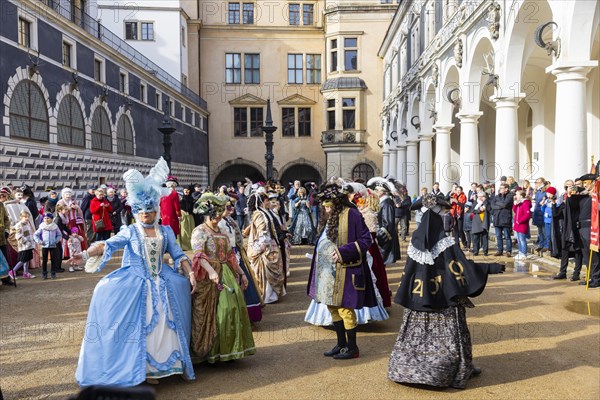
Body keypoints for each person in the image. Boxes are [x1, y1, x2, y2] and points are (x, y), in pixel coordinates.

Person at [69, 157, 197, 386]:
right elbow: (108, 244)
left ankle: (165, 367)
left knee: (166, 324)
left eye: (149, 211)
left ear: (156, 210)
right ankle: (142, 369)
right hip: (137, 282)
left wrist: (190, 273)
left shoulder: (165, 231)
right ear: (135, 210)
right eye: (141, 211)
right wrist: (87, 254)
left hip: (164, 282)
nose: (145, 214)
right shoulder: (130, 231)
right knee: (116, 302)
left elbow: (178, 255)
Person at [388, 194, 504, 389]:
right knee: (454, 334)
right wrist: (489, 268)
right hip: (445, 300)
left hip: (418, 301)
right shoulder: (446, 243)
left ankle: (407, 369)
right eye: (441, 214)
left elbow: (409, 273)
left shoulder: (414, 243)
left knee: (415, 336)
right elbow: (463, 267)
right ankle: (459, 368)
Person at [306, 183, 377, 359]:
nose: (326, 209)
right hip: (328, 272)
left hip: (346, 269)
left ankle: (353, 348)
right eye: (325, 206)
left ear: (337, 202)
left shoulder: (352, 214)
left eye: (329, 206)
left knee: (345, 308)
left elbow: (366, 239)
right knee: (332, 306)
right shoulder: (329, 216)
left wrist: (343, 252)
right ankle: (341, 344)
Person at [190, 193, 256, 362]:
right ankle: (214, 351)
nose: (219, 217)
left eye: (221, 212)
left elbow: (230, 256)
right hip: (208, 276)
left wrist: (241, 274)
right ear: (207, 213)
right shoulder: (199, 231)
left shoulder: (223, 232)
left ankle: (230, 350)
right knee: (220, 312)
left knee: (234, 309)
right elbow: (198, 255)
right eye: (216, 213)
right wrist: (211, 271)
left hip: (226, 273)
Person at [218, 200, 263, 322]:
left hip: (236, 251)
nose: (230, 209)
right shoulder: (220, 223)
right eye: (227, 207)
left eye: (231, 206)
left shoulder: (229, 220)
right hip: (228, 255)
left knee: (245, 279)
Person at [246, 192, 286, 304]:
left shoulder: (264, 212)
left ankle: (272, 295)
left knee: (273, 268)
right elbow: (262, 231)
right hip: (265, 245)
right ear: (262, 202)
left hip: (270, 243)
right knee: (265, 269)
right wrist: (262, 245)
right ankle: (267, 296)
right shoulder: (259, 214)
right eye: (267, 200)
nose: (269, 202)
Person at [367, 177, 400, 266]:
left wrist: (378, 237)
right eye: (375, 189)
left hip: (383, 239)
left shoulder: (386, 203)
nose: (376, 191)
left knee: (380, 264)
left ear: (384, 192)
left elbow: (388, 224)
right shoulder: (381, 201)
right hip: (379, 236)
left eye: (378, 190)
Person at [34, 213, 62, 280]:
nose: (46, 219)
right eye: (45, 218)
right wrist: (40, 241)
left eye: (48, 218)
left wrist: (56, 241)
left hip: (53, 246)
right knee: (44, 260)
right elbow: (35, 235)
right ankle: (44, 273)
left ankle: (53, 272)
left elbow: (59, 235)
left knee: (53, 260)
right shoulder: (42, 226)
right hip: (44, 246)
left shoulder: (55, 226)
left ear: (51, 219)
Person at [10, 211, 36, 279]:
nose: (27, 218)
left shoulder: (27, 224)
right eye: (25, 217)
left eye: (28, 217)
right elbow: (18, 236)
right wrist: (26, 242)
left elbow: (29, 234)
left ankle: (26, 272)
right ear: (21, 217)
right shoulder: (19, 225)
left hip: (29, 245)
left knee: (27, 259)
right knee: (23, 260)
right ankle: (12, 271)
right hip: (24, 246)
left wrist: (32, 242)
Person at [490, 183, 514, 256]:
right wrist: (499, 205)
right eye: (500, 188)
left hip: (505, 219)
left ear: (506, 189)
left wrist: (498, 203)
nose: (500, 189)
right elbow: (492, 205)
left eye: (502, 188)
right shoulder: (497, 196)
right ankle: (500, 250)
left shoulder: (509, 196)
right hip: (497, 218)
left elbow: (505, 204)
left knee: (507, 236)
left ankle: (508, 251)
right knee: (498, 236)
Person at [513, 190, 532, 260]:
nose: (516, 196)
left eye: (517, 195)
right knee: (518, 239)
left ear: (521, 196)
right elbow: (515, 211)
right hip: (517, 225)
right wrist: (515, 205)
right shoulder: (519, 203)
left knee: (522, 240)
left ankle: (524, 253)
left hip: (522, 225)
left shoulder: (525, 203)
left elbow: (527, 214)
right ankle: (520, 252)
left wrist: (519, 221)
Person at [470, 192, 490, 256]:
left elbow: (489, 208)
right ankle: (476, 251)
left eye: (482, 196)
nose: (480, 198)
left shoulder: (487, 202)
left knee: (484, 237)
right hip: (476, 222)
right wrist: (479, 210)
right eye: (479, 196)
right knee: (476, 238)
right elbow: (473, 210)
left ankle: (485, 251)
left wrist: (485, 202)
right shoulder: (475, 202)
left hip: (484, 221)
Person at [532, 178, 547, 252]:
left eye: (537, 182)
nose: (536, 184)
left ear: (542, 183)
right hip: (537, 212)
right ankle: (541, 244)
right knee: (540, 231)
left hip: (543, 212)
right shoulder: (537, 192)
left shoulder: (545, 191)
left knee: (544, 231)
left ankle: (546, 245)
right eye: (535, 182)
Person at [179, 185, 195, 251]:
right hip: (183, 216)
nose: (186, 191)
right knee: (184, 231)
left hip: (190, 217)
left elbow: (193, 207)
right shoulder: (181, 198)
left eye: (188, 190)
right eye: (185, 190)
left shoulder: (191, 199)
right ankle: (184, 246)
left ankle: (191, 245)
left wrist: (190, 212)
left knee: (191, 231)